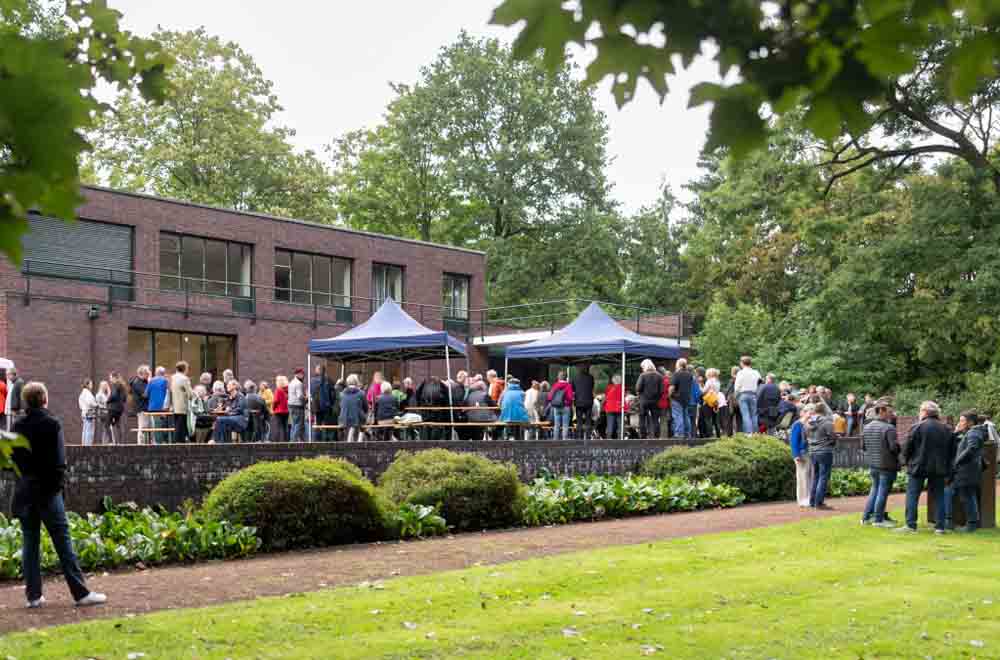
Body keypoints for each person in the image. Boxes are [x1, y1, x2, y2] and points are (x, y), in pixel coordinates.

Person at [11, 382, 107, 608]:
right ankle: (80, 593)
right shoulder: (52, 424)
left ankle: (33, 596)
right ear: (44, 398)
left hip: (25, 491)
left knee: (30, 542)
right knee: (63, 542)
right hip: (47, 492)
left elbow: (12, 461)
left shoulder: (17, 426)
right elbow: (59, 461)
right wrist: (57, 487)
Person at [898, 401, 955, 534]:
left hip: (918, 466)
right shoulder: (947, 429)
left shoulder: (917, 427)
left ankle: (911, 525)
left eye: (920, 410)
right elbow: (953, 452)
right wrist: (948, 468)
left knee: (912, 495)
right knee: (939, 497)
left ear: (924, 412)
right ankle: (940, 527)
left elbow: (907, 448)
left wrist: (905, 462)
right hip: (939, 468)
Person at [944, 410, 986, 533]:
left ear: (970, 422)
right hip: (967, 470)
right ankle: (957, 522)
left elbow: (972, 448)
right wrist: (957, 432)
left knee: (966, 496)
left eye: (962, 420)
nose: (960, 423)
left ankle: (970, 524)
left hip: (966, 471)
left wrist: (958, 460)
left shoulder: (973, 433)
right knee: (958, 493)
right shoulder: (973, 432)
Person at [861, 398, 900, 527]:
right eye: (890, 411)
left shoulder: (866, 427)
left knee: (874, 490)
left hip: (873, 464)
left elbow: (863, 447)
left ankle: (866, 517)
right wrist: (900, 448)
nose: (892, 414)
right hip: (887, 465)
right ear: (881, 411)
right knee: (882, 492)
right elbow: (894, 448)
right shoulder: (889, 428)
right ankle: (878, 520)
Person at [806, 401, 837, 509]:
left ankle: (812, 501)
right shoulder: (827, 422)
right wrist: (831, 444)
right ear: (824, 411)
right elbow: (833, 437)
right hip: (824, 451)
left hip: (812, 451)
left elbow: (805, 436)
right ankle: (819, 503)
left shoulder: (808, 422)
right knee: (823, 477)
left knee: (816, 476)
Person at [789, 405, 812, 507]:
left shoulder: (809, 424)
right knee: (802, 476)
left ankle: (809, 497)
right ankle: (802, 499)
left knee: (809, 476)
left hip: (809, 453)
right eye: (809, 412)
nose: (811, 415)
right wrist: (796, 454)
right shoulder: (797, 425)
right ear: (803, 412)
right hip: (801, 453)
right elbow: (794, 441)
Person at [634, 359, 662, 439]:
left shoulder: (643, 375)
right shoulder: (659, 376)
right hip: (655, 401)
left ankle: (643, 436)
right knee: (655, 419)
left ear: (645, 366)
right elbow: (662, 390)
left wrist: (640, 395)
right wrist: (657, 397)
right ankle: (657, 436)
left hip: (644, 400)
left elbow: (638, 388)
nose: (642, 369)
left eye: (642, 367)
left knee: (642, 418)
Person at [734, 356, 762, 434]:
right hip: (753, 395)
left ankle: (748, 433)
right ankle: (755, 433)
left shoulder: (741, 372)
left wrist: (735, 396)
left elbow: (737, 387)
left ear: (742, 363)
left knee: (745, 415)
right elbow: (760, 381)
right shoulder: (756, 372)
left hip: (743, 395)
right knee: (754, 415)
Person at [311, 365, 338, 442]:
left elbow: (312, 393)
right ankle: (327, 439)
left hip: (316, 407)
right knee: (327, 424)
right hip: (327, 406)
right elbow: (333, 394)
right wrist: (331, 403)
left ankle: (317, 440)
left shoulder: (312, 381)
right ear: (324, 371)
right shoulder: (329, 380)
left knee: (318, 424)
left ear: (317, 371)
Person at [169, 362, 193, 444]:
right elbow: (190, 394)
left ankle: (177, 442)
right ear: (184, 369)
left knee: (177, 425)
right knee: (181, 426)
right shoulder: (184, 379)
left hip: (174, 405)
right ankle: (180, 443)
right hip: (182, 405)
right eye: (187, 368)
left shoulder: (172, 378)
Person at [340, 374, 368, 442]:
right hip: (357, 418)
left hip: (344, 418)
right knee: (363, 421)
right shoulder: (361, 393)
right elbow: (366, 408)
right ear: (356, 382)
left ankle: (350, 440)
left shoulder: (342, 394)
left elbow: (341, 406)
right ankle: (359, 441)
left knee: (353, 423)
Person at [670, 359, 693, 438]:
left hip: (677, 398)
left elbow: (672, 387)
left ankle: (679, 434)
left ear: (678, 365)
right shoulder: (690, 375)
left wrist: (669, 395)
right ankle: (688, 433)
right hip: (686, 398)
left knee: (678, 416)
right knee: (686, 416)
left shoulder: (676, 374)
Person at [145, 366, 170, 439]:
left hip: (152, 407)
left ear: (156, 373)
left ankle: (157, 441)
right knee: (163, 425)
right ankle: (162, 441)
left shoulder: (151, 381)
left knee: (155, 425)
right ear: (163, 373)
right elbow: (169, 392)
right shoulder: (166, 381)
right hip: (164, 407)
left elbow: (146, 394)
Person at [571, 364, 595, 440]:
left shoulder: (575, 378)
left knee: (579, 421)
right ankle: (587, 436)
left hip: (578, 402)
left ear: (579, 369)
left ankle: (579, 436)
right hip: (588, 402)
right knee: (588, 420)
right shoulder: (591, 377)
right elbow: (592, 387)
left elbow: (573, 389)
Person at [548, 372, 574, 441]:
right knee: (565, 425)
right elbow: (570, 397)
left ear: (558, 377)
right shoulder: (568, 385)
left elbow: (550, 397)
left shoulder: (555, 385)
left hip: (556, 407)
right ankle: (564, 440)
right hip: (566, 407)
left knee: (556, 425)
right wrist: (567, 402)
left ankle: (555, 440)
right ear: (566, 377)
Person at [128, 366, 150, 439]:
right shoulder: (137, 382)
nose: (148, 375)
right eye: (147, 373)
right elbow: (144, 394)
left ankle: (146, 443)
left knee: (147, 426)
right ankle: (141, 444)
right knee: (142, 426)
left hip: (144, 407)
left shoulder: (143, 382)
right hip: (141, 408)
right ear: (142, 373)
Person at [106, 372, 127, 445]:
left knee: (107, 424)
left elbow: (114, 395)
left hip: (113, 408)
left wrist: (108, 400)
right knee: (117, 424)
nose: (110, 380)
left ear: (114, 378)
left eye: (111, 378)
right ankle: (120, 442)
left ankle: (111, 441)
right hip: (120, 409)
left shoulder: (116, 385)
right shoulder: (123, 385)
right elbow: (124, 398)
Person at [702, 368, 724, 438]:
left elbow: (704, 391)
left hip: (708, 401)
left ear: (709, 374)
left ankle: (710, 435)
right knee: (715, 419)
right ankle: (718, 435)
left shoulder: (709, 381)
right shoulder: (718, 382)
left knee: (708, 419)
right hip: (716, 401)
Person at [288, 368, 306, 442]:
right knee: (298, 424)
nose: (303, 376)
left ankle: (293, 441)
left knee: (293, 424)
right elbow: (300, 396)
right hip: (298, 406)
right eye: (302, 374)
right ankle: (294, 442)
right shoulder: (299, 383)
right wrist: (307, 398)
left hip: (290, 405)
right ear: (298, 374)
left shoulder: (291, 382)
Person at [604, 374, 625, 439]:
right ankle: (620, 438)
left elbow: (606, 397)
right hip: (619, 407)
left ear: (613, 380)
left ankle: (608, 439)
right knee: (620, 425)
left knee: (610, 424)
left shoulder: (608, 387)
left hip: (610, 407)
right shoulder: (622, 387)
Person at [270, 375, 290, 442]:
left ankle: (276, 441)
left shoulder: (278, 390)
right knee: (285, 426)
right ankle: (286, 440)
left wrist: (272, 409)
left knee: (278, 426)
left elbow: (275, 401)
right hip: (286, 411)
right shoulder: (288, 389)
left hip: (279, 411)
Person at [78, 379, 98, 446]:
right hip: (89, 413)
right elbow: (91, 402)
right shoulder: (88, 393)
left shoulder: (82, 393)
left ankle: (84, 444)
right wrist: (96, 404)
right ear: (87, 385)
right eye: (91, 384)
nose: (92, 385)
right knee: (89, 430)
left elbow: (80, 405)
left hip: (84, 412)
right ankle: (88, 445)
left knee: (85, 429)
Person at [657, 367, 673, 439]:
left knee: (663, 419)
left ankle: (663, 436)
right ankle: (664, 435)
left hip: (660, 402)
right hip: (666, 402)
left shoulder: (661, 380)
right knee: (664, 419)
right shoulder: (667, 381)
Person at [94, 380, 111, 444]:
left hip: (101, 413)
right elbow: (107, 401)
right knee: (106, 429)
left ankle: (104, 442)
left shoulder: (99, 394)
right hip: (104, 413)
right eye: (106, 386)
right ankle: (105, 443)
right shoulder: (100, 394)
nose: (107, 387)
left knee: (104, 428)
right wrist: (109, 392)